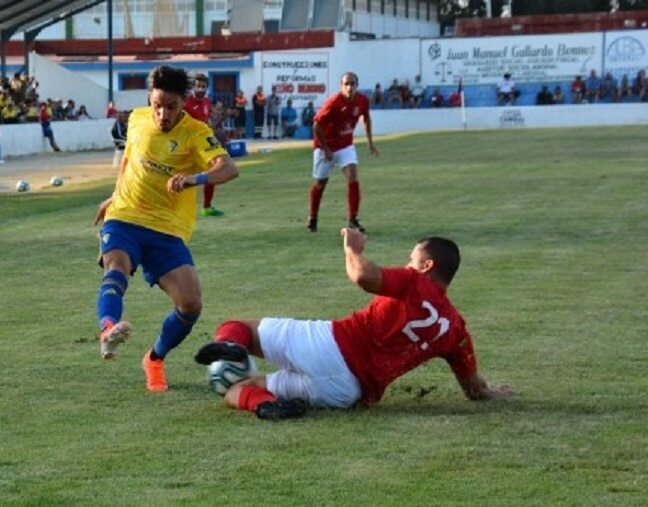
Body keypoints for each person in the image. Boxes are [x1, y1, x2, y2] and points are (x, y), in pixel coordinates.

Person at [194, 229, 514, 420]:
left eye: (411, 259)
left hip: (328, 346)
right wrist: (494, 394)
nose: (407, 264)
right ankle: (268, 406)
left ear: (426, 266)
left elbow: (362, 275)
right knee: (239, 389)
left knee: (238, 326)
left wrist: (352, 248)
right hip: (347, 392)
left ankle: (232, 346)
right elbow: (474, 389)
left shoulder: (415, 282)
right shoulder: (457, 331)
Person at [92, 65, 239, 392]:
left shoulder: (196, 133)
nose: (162, 114)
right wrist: (114, 196)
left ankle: (155, 358)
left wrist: (194, 178)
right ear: (149, 98)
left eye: (171, 107)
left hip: (167, 229)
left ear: (183, 102)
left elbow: (229, 168)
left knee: (191, 304)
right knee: (116, 267)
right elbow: (129, 160)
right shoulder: (137, 119)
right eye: (157, 105)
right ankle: (108, 329)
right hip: (125, 216)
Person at [308, 72, 379, 234]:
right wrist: (326, 149)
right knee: (321, 183)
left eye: (352, 83)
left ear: (357, 85)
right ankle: (313, 216)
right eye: (346, 84)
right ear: (341, 86)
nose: (349, 87)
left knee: (353, 176)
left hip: (345, 145)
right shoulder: (333, 103)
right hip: (324, 147)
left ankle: (353, 219)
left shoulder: (362, 101)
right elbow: (316, 126)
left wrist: (370, 142)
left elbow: (366, 118)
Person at [184, 73, 225, 217]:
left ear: (207, 88)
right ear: (193, 87)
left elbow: (206, 122)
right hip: (186, 146)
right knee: (180, 176)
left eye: (203, 86)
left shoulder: (207, 102)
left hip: (203, 145)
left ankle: (207, 207)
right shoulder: (185, 102)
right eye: (198, 86)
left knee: (212, 172)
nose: (200, 89)